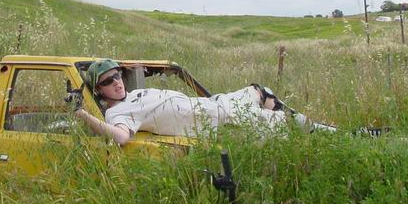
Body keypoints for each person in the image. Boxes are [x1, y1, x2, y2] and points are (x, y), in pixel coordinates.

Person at [75, 59, 384, 145]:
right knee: (285, 125)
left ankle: (337, 133)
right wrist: (83, 115)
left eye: (117, 76)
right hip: (221, 122)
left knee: (260, 90)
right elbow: (119, 138)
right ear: (99, 91)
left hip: (217, 105)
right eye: (107, 82)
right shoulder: (121, 112)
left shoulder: (134, 94)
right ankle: (350, 138)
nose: (116, 83)